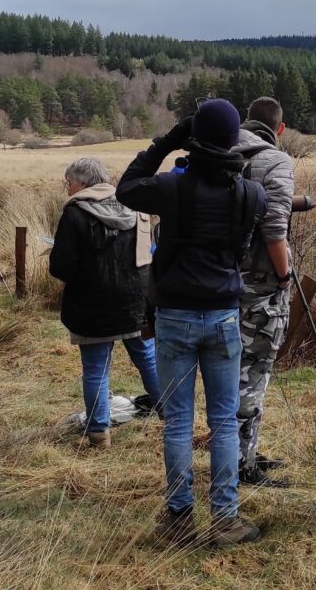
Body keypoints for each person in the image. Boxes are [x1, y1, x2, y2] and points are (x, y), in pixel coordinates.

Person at [117, 98, 266, 548]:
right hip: (224, 315)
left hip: (175, 316)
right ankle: (226, 519)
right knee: (224, 421)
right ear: (235, 140)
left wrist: (167, 141)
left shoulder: (171, 188)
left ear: (195, 138)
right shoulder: (250, 194)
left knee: (178, 422)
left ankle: (179, 518)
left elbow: (126, 187)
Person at [48, 158, 162, 449]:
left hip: (91, 306)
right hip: (135, 303)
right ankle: (173, 415)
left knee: (96, 369)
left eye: (69, 182)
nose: (67, 188)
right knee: (147, 359)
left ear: (83, 183)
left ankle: (99, 433)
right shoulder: (134, 205)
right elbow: (146, 256)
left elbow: (61, 268)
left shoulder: (74, 214)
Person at [230, 97, 294, 488]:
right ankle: (241, 465)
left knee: (232, 374)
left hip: (216, 283)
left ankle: (244, 452)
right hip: (259, 289)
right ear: (279, 129)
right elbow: (274, 231)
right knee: (253, 373)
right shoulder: (276, 163)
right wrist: (285, 276)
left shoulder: (218, 153)